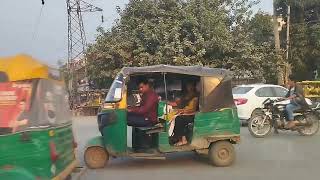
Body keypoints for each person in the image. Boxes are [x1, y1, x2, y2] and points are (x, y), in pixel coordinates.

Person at [169, 82, 198, 146]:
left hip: (191, 114)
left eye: (190, 85)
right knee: (171, 116)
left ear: (193, 87)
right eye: (188, 85)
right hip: (184, 112)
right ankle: (175, 136)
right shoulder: (186, 95)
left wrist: (182, 111)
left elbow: (192, 109)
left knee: (179, 119)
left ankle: (183, 140)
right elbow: (179, 104)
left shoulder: (195, 97)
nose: (189, 87)